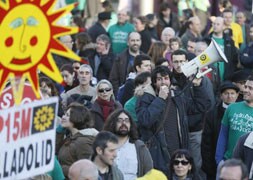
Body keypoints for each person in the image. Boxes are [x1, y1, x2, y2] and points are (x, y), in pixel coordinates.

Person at [136, 65, 211, 176]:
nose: (163, 82)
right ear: (154, 82)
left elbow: (201, 106)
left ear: (170, 81)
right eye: (159, 79)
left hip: (178, 154)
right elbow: (145, 120)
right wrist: (160, 99)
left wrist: (197, 85)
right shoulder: (146, 98)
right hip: (158, 154)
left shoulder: (177, 96)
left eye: (166, 78)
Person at [170, 49, 215, 179]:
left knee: (194, 163)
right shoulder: (169, 78)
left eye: (182, 61)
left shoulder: (198, 78)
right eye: (176, 62)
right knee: (177, 164)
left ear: (187, 61)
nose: (179, 65)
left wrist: (198, 85)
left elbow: (207, 104)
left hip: (194, 130)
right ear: (171, 63)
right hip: (176, 130)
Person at [201, 81, 239, 179]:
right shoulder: (212, 114)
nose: (229, 96)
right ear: (221, 95)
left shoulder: (242, 113)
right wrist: (209, 166)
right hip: (215, 163)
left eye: (232, 93)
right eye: (226, 93)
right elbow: (206, 142)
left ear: (237, 95)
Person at [104, 109, 153, 179]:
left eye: (127, 121)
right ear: (113, 123)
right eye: (120, 120)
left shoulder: (139, 146)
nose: (123, 123)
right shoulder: (105, 145)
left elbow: (149, 172)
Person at [216, 75, 253, 165]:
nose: (245, 90)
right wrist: (219, 160)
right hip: (228, 161)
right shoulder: (232, 107)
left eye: (250, 88)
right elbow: (223, 135)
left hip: (248, 165)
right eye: (245, 86)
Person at [57, 103, 98, 178]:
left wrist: (59, 168)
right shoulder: (71, 137)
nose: (63, 117)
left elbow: (86, 170)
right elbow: (55, 151)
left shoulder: (83, 142)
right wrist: (59, 133)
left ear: (76, 117)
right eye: (64, 114)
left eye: (67, 115)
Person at [109, 32, 142, 96]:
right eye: (133, 40)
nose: (135, 43)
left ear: (140, 42)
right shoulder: (119, 58)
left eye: (137, 40)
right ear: (128, 42)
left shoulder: (145, 58)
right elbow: (113, 78)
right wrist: (118, 93)